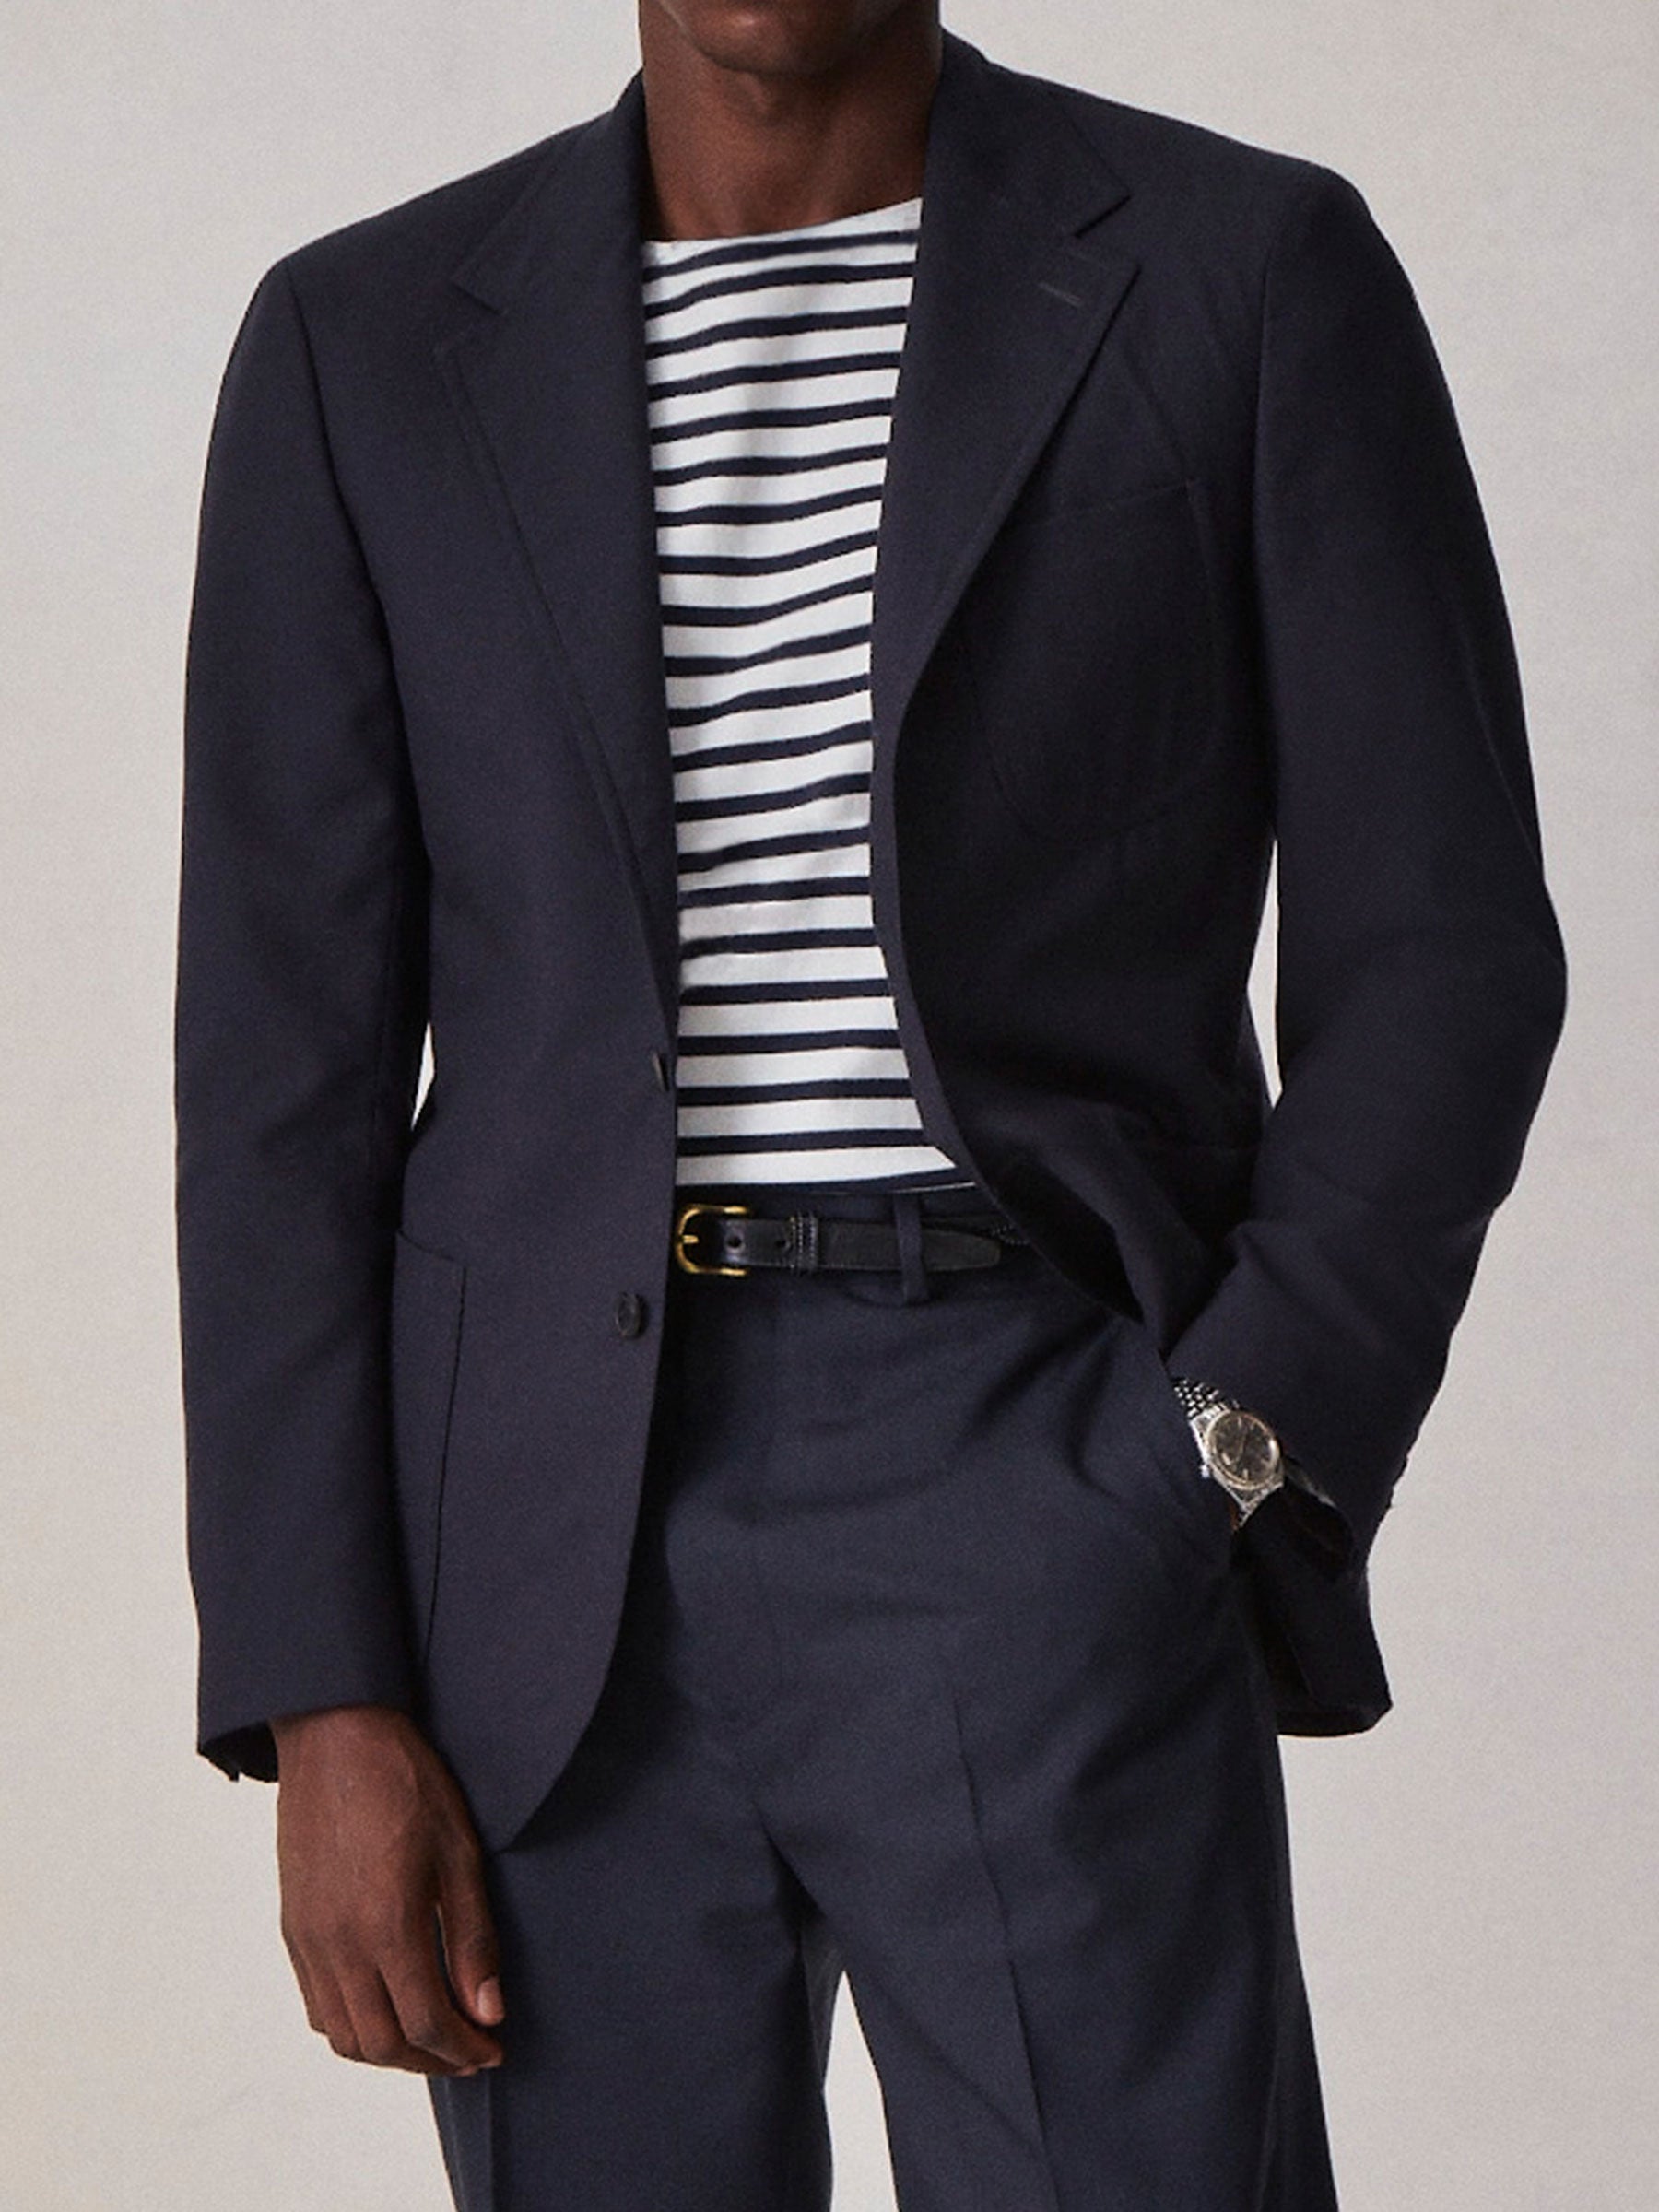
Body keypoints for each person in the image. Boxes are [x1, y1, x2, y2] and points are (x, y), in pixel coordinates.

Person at [173, 5, 1567, 2206]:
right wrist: (318, 1684)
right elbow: (280, 1079)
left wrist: (1229, 1442)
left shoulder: (1242, 269)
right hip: (538, 1554)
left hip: (1040, 1464)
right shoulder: (362, 347)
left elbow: (1445, 951)